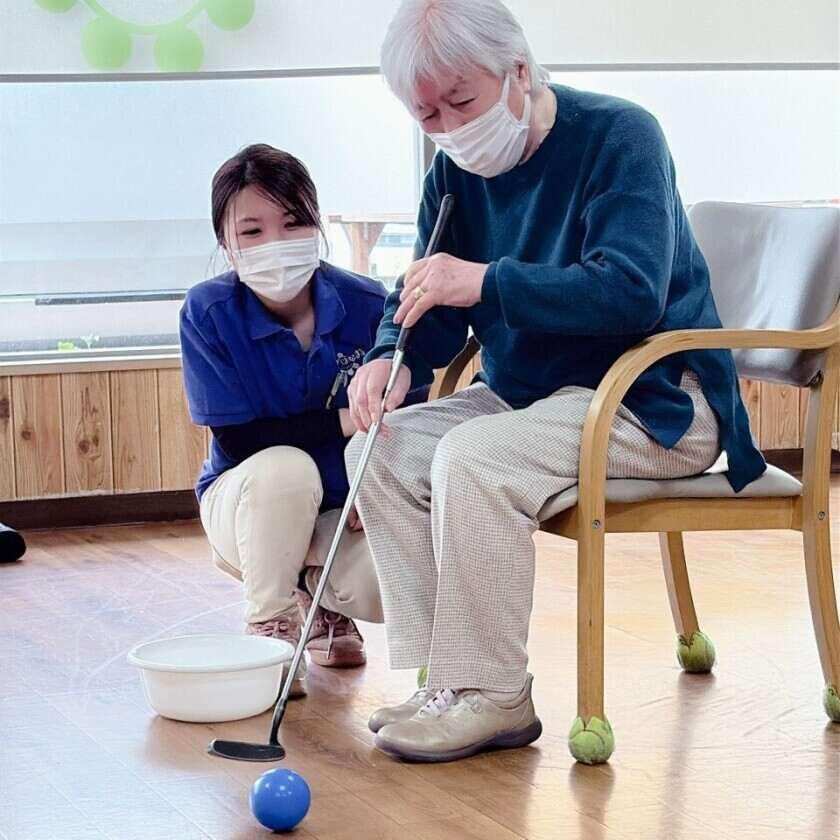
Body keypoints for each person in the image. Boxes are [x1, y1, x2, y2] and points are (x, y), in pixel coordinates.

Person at [345, 0, 766, 761]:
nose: (446, 129)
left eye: (461, 103)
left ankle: (495, 695)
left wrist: (483, 282)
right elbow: (429, 296)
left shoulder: (620, 135)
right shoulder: (454, 171)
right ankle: (449, 679)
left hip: (652, 401)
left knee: (472, 457)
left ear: (518, 71)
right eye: (425, 114)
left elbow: (630, 290)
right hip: (535, 398)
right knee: (379, 449)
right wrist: (393, 355)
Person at [180, 144, 406, 696]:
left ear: (316, 224)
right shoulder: (207, 313)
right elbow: (239, 439)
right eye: (252, 231)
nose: (275, 244)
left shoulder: (367, 303)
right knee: (285, 468)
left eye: (292, 222)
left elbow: (406, 414)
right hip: (251, 504)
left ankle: (320, 596)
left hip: (345, 506)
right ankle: (273, 622)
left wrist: (373, 488)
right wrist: (345, 420)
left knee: (390, 582)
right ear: (225, 244)